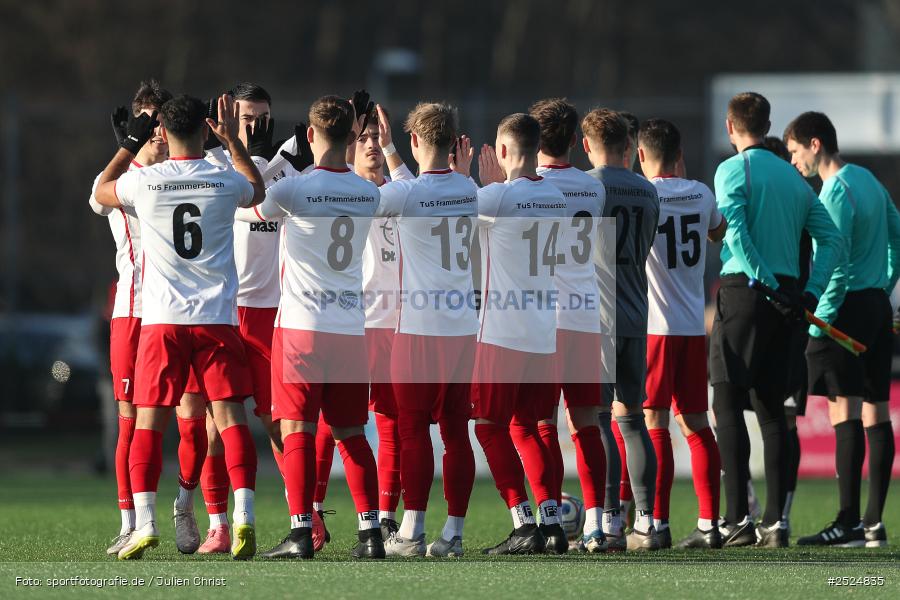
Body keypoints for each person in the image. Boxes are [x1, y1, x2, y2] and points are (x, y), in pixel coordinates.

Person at [93, 93, 265, 560]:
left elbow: (100, 190)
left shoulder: (144, 181)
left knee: (149, 423)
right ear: (205, 131)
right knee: (230, 421)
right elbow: (258, 190)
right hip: (217, 321)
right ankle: (244, 516)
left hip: (163, 321)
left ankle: (144, 524)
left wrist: (130, 145)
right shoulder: (224, 178)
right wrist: (232, 141)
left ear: (162, 135)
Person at [239, 95, 385, 560]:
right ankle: (371, 534)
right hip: (348, 328)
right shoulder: (369, 192)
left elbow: (247, 203)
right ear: (351, 138)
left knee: (298, 430)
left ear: (308, 135)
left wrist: (263, 159)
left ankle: (301, 531)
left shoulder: (294, 189)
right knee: (352, 435)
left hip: (301, 326)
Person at [709, 92, 846, 548]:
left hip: (746, 293)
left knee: (726, 400)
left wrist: (764, 282)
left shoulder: (733, 169)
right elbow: (831, 243)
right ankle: (776, 522)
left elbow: (737, 230)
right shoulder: (795, 181)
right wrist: (806, 292)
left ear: (731, 128)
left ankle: (736, 521)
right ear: (767, 126)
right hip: (788, 300)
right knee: (772, 413)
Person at [784, 111, 900, 548]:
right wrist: (884, 287)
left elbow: (834, 263)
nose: (795, 162)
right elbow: (898, 237)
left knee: (844, 412)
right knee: (876, 410)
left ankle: (848, 523)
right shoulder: (869, 180)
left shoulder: (834, 191)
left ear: (815, 145)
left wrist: (820, 325)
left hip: (844, 311)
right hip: (874, 305)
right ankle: (873, 523)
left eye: (795, 152)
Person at [371, 102, 479, 558]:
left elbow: (385, 196)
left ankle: (411, 532)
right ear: (455, 144)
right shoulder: (473, 189)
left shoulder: (406, 194)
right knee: (456, 432)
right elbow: (411, 184)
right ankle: (452, 533)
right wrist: (393, 149)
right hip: (464, 329)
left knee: (412, 429)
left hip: (418, 329)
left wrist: (385, 150)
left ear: (416, 141)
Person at [312, 103, 415, 545]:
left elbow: (418, 185)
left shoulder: (399, 191)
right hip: (354, 324)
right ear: (347, 146)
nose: (371, 145)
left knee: (391, 422)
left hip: (396, 326)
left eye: (378, 138)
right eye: (363, 138)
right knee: (328, 424)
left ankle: (385, 516)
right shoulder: (346, 191)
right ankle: (312, 510)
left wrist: (394, 147)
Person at [473, 113, 568, 555]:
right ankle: (552, 523)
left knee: (489, 428)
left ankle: (522, 520)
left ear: (505, 151)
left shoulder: (495, 198)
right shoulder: (558, 196)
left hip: (503, 331)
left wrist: (484, 183)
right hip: (544, 332)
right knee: (526, 426)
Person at [89, 79, 174, 556]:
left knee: (194, 417)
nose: (156, 131)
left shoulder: (192, 174)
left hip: (182, 315)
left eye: (161, 122)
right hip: (133, 315)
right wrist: (127, 147)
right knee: (129, 422)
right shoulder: (121, 180)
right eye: (148, 123)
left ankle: (195, 514)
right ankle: (131, 520)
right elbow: (96, 196)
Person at [637, 118, 727, 549]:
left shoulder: (644, 194)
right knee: (695, 424)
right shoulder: (702, 191)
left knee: (652, 421)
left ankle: (656, 522)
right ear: (679, 154)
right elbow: (717, 231)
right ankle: (710, 524)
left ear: (640, 155)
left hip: (655, 327)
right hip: (693, 327)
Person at [529, 98, 609, 553]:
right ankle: (596, 523)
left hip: (542, 315)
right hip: (584, 313)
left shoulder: (527, 186)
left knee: (542, 422)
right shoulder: (592, 187)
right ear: (575, 141)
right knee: (586, 422)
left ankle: (550, 518)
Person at [582, 108, 661, 551]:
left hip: (598, 318)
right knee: (632, 420)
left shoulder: (588, 186)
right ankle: (647, 522)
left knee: (597, 421)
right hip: (636, 312)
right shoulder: (649, 192)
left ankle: (609, 521)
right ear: (629, 146)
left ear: (587, 143)